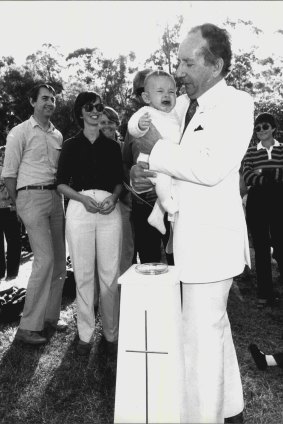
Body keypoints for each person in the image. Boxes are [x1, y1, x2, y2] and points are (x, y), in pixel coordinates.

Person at [130, 23, 254, 423]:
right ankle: (231, 408)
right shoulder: (183, 105)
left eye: (187, 62)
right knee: (211, 329)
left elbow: (210, 167)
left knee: (200, 339)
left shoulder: (237, 104)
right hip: (184, 236)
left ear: (215, 65)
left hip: (211, 243)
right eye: (178, 61)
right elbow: (159, 150)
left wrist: (157, 151)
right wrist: (141, 171)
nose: (178, 71)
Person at [57, 92, 123, 356]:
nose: (95, 111)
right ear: (80, 112)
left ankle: (111, 333)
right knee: (83, 275)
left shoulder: (112, 147)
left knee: (109, 275)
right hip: (79, 210)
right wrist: (81, 198)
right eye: (89, 107)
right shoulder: (71, 145)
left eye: (98, 107)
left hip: (109, 212)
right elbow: (60, 183)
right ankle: (85, 334)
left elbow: (119, 180)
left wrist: (115, 197)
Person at [2, 83, 66, 345]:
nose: (50, 103)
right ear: (32, 102)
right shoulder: (19, 132)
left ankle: (50, 316)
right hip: (29, 196)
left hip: (55, 197)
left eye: (53, 99)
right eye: (44, 99)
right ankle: (28, 326)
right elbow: (8, 174)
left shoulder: (58, 135)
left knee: (60, 260)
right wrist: (19, 206)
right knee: (45, 259)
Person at [123, 69, 174, 264]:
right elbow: (126, 162)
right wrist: (134, 178)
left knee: (176, 258)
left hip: (173, 201)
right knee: (148, 259)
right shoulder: (133, 126)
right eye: (138, 92)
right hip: (143, 202)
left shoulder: (176, 118)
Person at [127, 70, 181, 235]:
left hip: (174, 165)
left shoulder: (176, 113)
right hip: (152, 162)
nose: (167, 95)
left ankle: (158, 214)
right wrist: (140, 126)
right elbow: (132, 127)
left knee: (170, 185)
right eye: (160, 91)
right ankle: (166, 204)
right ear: (147, 98)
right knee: (164, 181)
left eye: (171, 92)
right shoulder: (146, 112)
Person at [242, 112, 283, 308]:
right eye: (257, 128)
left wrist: (264, 173)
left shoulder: (282, 149)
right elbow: (248, 176)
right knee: (260, 247)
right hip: (257, 201)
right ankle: (265, 294)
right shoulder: (250, 152)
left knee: (280, 242)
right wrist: (272, 174)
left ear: (273, 128)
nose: (260, 131)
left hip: (279, 199)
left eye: (265, 127)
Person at [100, 106, 135, 274]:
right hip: (101, 206)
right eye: (102, 122)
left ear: (117, 124)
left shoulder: (124, 147)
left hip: (124, 205)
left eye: (111, 122)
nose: (107, 126)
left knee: (125, 252)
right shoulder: (93, 147)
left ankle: (124, 295)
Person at [0, 146, 21, 281]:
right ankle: (2, 273)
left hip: (11, 208)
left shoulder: (16, 170)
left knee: (14, 241)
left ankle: (12, 273)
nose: (3, 157)